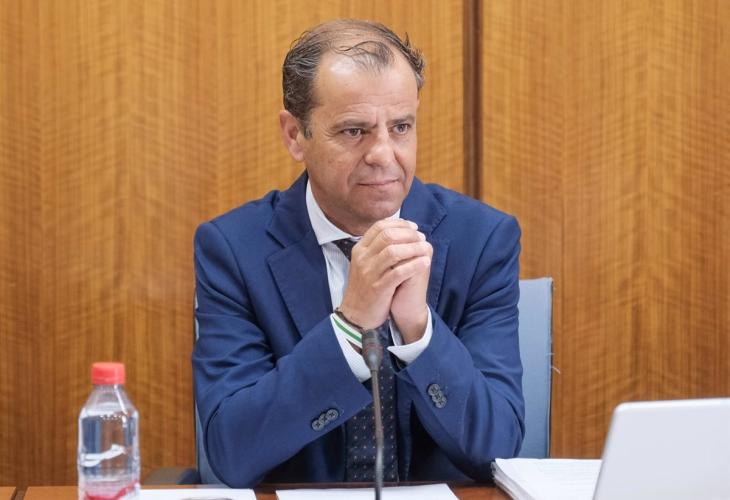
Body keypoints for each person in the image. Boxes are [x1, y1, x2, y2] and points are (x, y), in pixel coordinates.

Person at [192, 19, 524, 488]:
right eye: (354, 131)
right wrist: (350, 325)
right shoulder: (233, 249)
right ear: (295, 135)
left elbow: (499, 449)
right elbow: (233, 452)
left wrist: (419, 330)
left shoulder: (482, 240)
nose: (383, 154)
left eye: (401, 127)